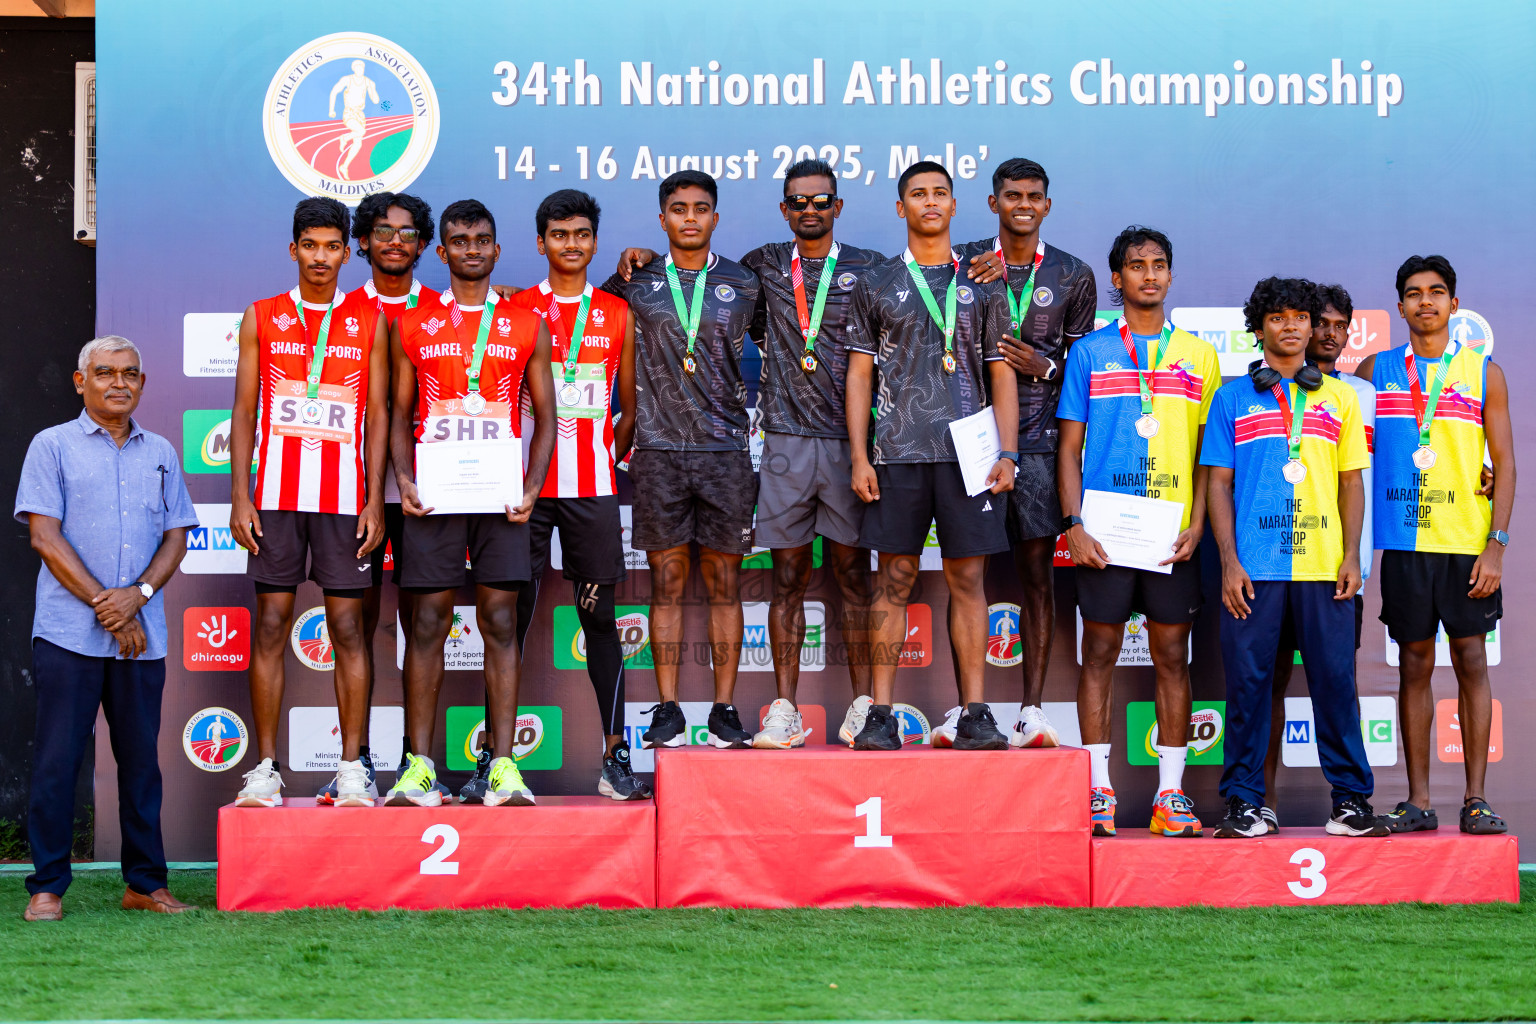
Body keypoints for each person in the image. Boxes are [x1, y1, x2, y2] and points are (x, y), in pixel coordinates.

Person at [15, 336, 201, 921]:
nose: (118, 383)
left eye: (129, 374)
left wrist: (138, 596)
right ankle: (47, 886)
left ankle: (145, 884)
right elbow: (44, 536)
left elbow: (177, 534)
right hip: (70, 635)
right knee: (57, 761)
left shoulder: (163, 451)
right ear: (80, 382)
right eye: (104, 373)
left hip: (141, 640)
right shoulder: (52, 447)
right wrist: (108, 606)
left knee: (142, 764)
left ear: (143, 384)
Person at [1201, 277, 1385, 838]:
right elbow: (1218, 486)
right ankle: (1244, 803)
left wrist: (1351, 555)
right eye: (1276, 317)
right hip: (1254, 571)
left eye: (1300, 317)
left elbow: (1353, 484)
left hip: (1324, 568)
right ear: (1258, 329)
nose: (1290, 326)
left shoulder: (1341, 398)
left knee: (1335, 683)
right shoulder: (1232, 397)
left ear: (1312, 326)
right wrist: (1230, 561)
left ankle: (1351, 803)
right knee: (1249, 687)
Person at [843, 160, 1017, 751]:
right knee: (892, 581)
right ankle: (881, 715)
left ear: (953, 203)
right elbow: (859, 374)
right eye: (918, 194)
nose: (930, 202)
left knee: (969, 581)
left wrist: (1009, 452)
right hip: (895, 453)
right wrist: (859, 455)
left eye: (940, 193)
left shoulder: (984, 281)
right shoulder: (876, 282)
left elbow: (1002, 372)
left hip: (971, 456)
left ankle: (974, 712)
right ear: (901, 208)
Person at [388, 199, 555, 807]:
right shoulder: (414, 322)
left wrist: (532, 487)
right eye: (460, 241)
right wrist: (404, 480)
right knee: (427, 623)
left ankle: (504, 766)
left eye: (482, 240)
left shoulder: (525, 322)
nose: (472, 250)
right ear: (443, 252)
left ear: (497, 248)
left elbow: (547, 416)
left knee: (501, 623)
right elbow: (400, 412)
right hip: (435, 496)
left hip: (499, 498)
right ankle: (419, 767)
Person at [1054, 227, 1219, 837]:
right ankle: (1098, 791)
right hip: (1105, 534)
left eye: (1158, 265)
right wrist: (1074, 524)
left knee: (1172, 656)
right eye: (1135, 266)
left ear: (1171, 276)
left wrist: (1198, 520)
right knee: (1097, 653)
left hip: (1171, 535)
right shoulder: (1091, 352)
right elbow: (1069, 449)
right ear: (1116, 279)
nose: (1148, 275)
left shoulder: (1199, 357)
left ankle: (1169, 796)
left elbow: (1209, 453)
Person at [229, 197, 388, 809]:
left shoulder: (369, 319)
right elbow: (244, 411)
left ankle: (352, 769)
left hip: (345, 500)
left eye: (332, 246)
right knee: (269, 625)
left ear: (348, 252)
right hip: (274, 497)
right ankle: (265, 769)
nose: (321, 257)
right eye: (310, 246)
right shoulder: (262, 316)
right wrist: (240, 494)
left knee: (349, 628)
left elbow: (378, 417)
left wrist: (375, 500)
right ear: (292, 249)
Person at [598, 171, 762, 750]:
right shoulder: (632, 284)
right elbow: (583, 325)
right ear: (661, 218)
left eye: (700, 209)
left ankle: (722, 709)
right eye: (677, 209)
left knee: (725, 584)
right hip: (660, 453)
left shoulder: (747, 282)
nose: (689, 217)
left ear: (716, 218)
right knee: (665, 583)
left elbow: (792, 347)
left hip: (725, 452)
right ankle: (666, 709)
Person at [499, 189, 649, 801]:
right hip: (526, 494)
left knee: (601, 622)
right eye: (559, 235)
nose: (571, 244)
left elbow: (630, 408)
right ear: (541, 243)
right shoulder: (513, 311)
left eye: (582, 234)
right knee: (508, 622)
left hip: (591, 488)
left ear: (594, 242)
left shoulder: (616, 312)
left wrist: (603, 454)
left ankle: (614, 758)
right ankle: (499, 762)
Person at [1359, 255, 1514, 835]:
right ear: (1400, 306)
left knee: (1472, 661)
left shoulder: (1484, 373)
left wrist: (1495, 545)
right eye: (1414, 294)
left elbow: (1506, 464)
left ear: (1454, 304)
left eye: (1437, 292)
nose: (1426, 302)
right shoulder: (1376, 371)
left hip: (1467, 543)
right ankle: (1419, 801)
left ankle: (1476, 800)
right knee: (1415, 666)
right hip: (1403, 542)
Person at [306, 191, 441, 806]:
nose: (394, 241)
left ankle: (418, 766)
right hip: (350, 494)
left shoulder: (446, 309)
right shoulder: (342, 309)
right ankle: (354, 764)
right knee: (352, 625)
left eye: (408, 233)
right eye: (382, 231)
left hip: (427, 495)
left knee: (424, 625)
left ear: (422, 244)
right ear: (360, 242)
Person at [962, 158, 1097, 749]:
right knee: (966, 577)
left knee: (1037, 579)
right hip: (970, 442)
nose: (1023, 203)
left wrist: (1046, 367)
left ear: (1047, 205)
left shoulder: (1073, 274)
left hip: (1041, 448)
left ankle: (1032, 710)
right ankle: (969, 711)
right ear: (993, 203)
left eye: (1033, 196)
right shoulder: (965, 261)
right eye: (1011, 194)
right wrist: (967, 277)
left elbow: (1091, 369)